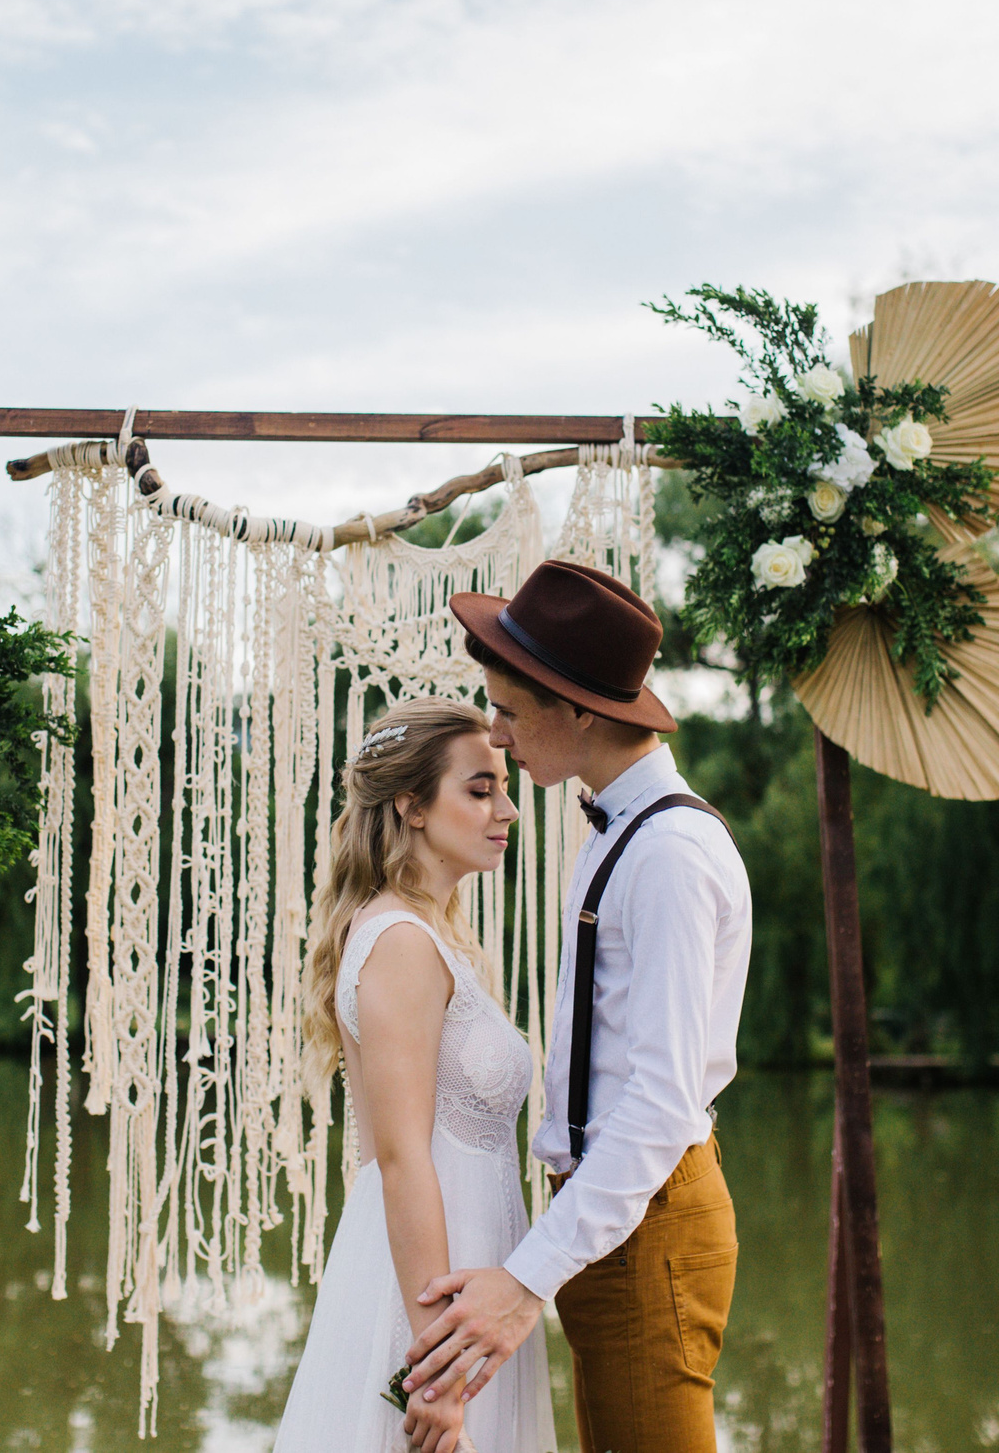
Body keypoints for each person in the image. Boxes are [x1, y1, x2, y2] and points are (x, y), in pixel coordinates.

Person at [404, 560, 752, 1453]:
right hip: (611, 1218)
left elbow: (660, 1106)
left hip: (650, 1219)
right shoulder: (617, 831)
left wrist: (526, 1283)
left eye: (512, 711)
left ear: (580, 712)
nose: (498, 733)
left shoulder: (669, 853)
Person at [274, 696, 557, 1453]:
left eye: (503, 786)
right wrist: (436, 1374)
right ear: (413, 805)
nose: (507, 809)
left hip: (470, 1280)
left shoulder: (429, 935)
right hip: (433, 1294)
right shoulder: (399, 940)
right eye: (479, 788)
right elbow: (399, 1161)